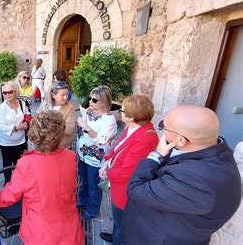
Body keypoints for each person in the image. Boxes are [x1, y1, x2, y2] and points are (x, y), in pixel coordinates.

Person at [121, 105, 241, 244]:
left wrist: (156, 155)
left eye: (164, 126)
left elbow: (136, 189)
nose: (162, 130)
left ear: (181, 140)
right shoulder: (212, 148)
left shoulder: (196, 180)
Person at [0, 110, 85, 244]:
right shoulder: (70, 156)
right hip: (70, 228)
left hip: (41, 233)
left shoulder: (27, 163)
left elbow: (11, 194)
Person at [97, 95, 158, 244]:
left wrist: (107, 173)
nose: (119, 112)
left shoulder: (146, 139)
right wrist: (107, 161)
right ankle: (115, 233)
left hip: (125, 191)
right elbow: (119, 147)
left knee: (122, 225)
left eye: (122, 110)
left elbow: (127, 172)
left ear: (131, 116)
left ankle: (118, 238)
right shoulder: (133, 127)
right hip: (118, 185)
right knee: (118, 221)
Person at [75, 85, 117, 220]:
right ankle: (82, 201)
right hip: (83, 155)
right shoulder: (89, 112)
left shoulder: (109, 120)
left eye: (94, 100)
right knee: (83, 180)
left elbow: (102, 140)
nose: (90, 102)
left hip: (96, 160)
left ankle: (92, 210)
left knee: (94, 186)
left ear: (104, 102)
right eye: (90, 99)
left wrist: (86, 127)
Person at [0, 81, 28, 183]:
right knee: (7, 166)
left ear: (15, 92)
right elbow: (1, 126)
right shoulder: (2, 108)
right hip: (6, 143)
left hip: (21, 141)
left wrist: (27, 123)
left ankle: (19, 185)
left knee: (20, 165)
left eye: (10, 92)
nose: (7, 94)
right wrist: (16, 128)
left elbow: (27, 115)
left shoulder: (22, 104)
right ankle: (8, 185)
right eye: (4, 93)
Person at [37, 81, 76, 149]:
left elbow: (70, 129)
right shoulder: (45, 104)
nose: (66, 97)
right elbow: (36, 120)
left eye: (67, 94)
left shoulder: (70, 108)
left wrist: (49, 123)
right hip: (44, 145)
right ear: (53, 95)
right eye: (63, 95)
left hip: (61, 146)